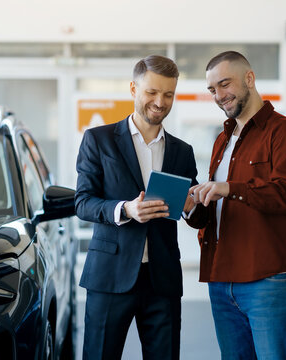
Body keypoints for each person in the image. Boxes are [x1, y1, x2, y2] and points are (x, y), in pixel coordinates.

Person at [186, 51, 286, 360]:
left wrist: (230, 188)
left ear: (249, 78)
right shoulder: (222, 140)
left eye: (224, 84)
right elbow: (216, 210)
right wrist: (191, 205)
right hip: (221, 280)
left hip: (270, 279)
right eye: (212, 90)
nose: (219, 95)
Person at [75, 55, 198, 360]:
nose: (160, 102)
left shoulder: (182, 152)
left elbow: (196, 213)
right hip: (110, 277)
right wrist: (125, 209)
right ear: (133, 88)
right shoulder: (99, 140)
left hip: (162, 280)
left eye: (168, 94)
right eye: (152, 92)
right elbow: (83, 202)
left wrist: (192, 205)